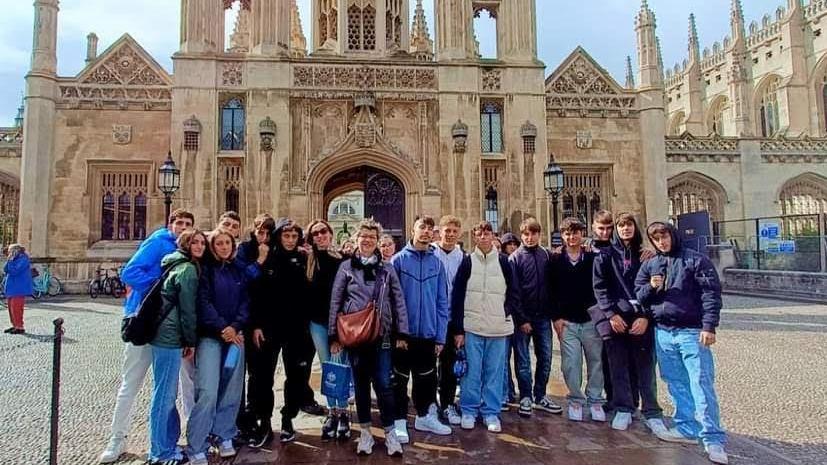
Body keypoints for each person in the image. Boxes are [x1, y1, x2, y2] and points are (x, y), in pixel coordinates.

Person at [99, 209, 194, 464]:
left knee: (171, 388)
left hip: (169, 329)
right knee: (131, 384)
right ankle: (117, 439)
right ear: (170, 224)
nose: (182, 227)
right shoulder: (158, 241)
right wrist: (161, 282)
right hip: (143, 323)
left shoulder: (187, 252)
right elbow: (130, 273)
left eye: (187, 224)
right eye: (179, 223)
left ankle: (175, 439)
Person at [637, 222, 728, 464]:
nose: (661, 242)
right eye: (656, 239)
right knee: (675, 382)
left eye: (664, 236)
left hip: (691, 331)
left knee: (700, 383)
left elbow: (711, 293)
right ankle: (687, 428)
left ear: (672, 235)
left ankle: (713, 438)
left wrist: (709, 326)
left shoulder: (695, 260)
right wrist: (651, 287)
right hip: (664, 332)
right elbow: (640, 295)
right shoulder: (651, 264)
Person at [329, 219, 409, 456]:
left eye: (372, 237)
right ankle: (365, 432)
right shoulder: (345, 267)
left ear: (377, 241)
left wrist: (402, 332)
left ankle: (390, 432)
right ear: (357, 238)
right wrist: (334, 335)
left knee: (384, 384)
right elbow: (336, 301)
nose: (367, 240)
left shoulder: (387, 268)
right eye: (363, 236)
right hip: (355, 336)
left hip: (381, 334)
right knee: (361, 386)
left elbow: (399, 301)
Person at [592, 213, 668, 436]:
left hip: (641, 318)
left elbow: (656, 289)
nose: (625, 229)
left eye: (629, 225)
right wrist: (610, 314)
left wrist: (645, 317)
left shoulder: (646, 257)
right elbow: (600, 288)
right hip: (616, 318)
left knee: (645, 367)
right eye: (621, 225)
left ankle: (652, 412)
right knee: (618, 365)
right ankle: (623, 407)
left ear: (636, 228)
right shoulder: (604, 256)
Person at [246, 218, 313, 446]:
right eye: (286, 236)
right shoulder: (266, 258)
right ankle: (265, 421)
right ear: (279, 236)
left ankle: (287, 418)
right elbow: (254, 292)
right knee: (263, 377)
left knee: (295, 376)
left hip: (296, 328)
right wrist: (255, 324)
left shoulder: (303, 258)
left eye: (294, 236)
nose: (291, 240)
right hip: (268, 328)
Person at [186, 230, 249, 465]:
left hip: (235, 337)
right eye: (219, 243)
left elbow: (246, 301)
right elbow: (203, 302)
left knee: (232, 390)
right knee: (208, 391)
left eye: (227, 243)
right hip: (212, 337)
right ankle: (197, 444)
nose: (224, 247)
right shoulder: (206, 270)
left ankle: (224, 434)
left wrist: (236, 326)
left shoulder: (238, 269)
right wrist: (223, 327)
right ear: (212, 247)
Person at [450, 221, 520, 433]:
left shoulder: (504, 262)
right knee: (471, 372)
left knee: (494, 372)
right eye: (479, 233)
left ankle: (491, 412)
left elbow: (514, 292)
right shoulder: (467, 262)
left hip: (498, 328)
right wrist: (458, 329)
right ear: (474, 236)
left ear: (493, 236)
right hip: (472, 326)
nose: (483, 237)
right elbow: (458, 296)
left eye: (487, 233)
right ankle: (469, 410)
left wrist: (505, 312)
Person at [390, 216, 452, 442]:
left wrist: (440, 336)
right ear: (413, 230)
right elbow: (391, 302)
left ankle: (424, 415)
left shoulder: (437, 263)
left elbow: (442, 301)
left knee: (426, 378)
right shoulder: (398, 261)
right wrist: (397, 333)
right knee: (399, 378)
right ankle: (399, 420)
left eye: (429, 228)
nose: (426, 232)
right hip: (404, 335)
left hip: (428, 332)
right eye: (422, 227)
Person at [146, 229, 205, 465]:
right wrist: (190, 341)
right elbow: (188, 311)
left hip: (163, 335)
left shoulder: (173, 263)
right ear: (186, 245)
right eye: (195, 242)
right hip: (170, 337)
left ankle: (168, 445)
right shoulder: (187, 269)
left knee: (166, 393)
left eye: (202, 242)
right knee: (164, 395)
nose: (200, 246)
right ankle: (159, 452)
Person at [549, 218, 605, 423]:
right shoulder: (554, 260)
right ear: (562, 236)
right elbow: (551, 290)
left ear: (582, 234)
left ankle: (595, 399)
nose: (571, 238)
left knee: (595, 362)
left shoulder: (592, 258)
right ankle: (575, 399)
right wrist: (556, 317)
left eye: (575, 233)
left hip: (591, 320)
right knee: (570, 363)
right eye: (567, 234)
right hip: (567, 321)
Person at [509, 218, 562, 417]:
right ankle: (525, 396)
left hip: (543, 317)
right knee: (523, 360)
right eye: (526, 234)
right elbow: (514, 292)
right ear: (522, 236)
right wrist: (522, 319)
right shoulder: (515, 258)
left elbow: (553, 286)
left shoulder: (546, 256)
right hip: (523, 319)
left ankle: (540, 395)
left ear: (539, 234)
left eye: (533, 234)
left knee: (545, 357)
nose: (530, 238)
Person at [305, 219, 349, 440]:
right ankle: (332, 411)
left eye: (324, 232)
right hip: (317, 323)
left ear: (331, 234)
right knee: (327, 367)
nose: (320, 236)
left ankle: (343, 412)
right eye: (315, 233)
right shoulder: (308, 261)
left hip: (338, 323)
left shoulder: (342, 260)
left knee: (339, 366)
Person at [432, 215, 465, 426]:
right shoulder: (430, 254)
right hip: (433, 318)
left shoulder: (463, 257)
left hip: (453, 319)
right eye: (447, 230)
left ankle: (447, 403)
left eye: (454, 231)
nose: (450, 234)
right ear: (439, 232)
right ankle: (428, 405)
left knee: (449, 364)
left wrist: (461, 327)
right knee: (427, 365)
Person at [498, 232, 521, 407]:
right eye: (509, 244)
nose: (512, 247)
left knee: (520, 358)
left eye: (514, 244)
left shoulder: (512, 262)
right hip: (500, 317)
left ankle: (515, 392)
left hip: (514, 316)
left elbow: (514, 291)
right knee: (502, 358)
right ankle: (506, 391)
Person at [3, 244, 32, 335]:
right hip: (11, 287)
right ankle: (15, 325)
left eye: (10, 251)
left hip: (18, 288)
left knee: (16, 308)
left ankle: (19, 326)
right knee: (11, 308)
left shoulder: (23, 259)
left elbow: (15, 271)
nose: (9, 253)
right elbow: (5, 269)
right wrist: (9, 260)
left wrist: (10, 261)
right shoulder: (13, 259)